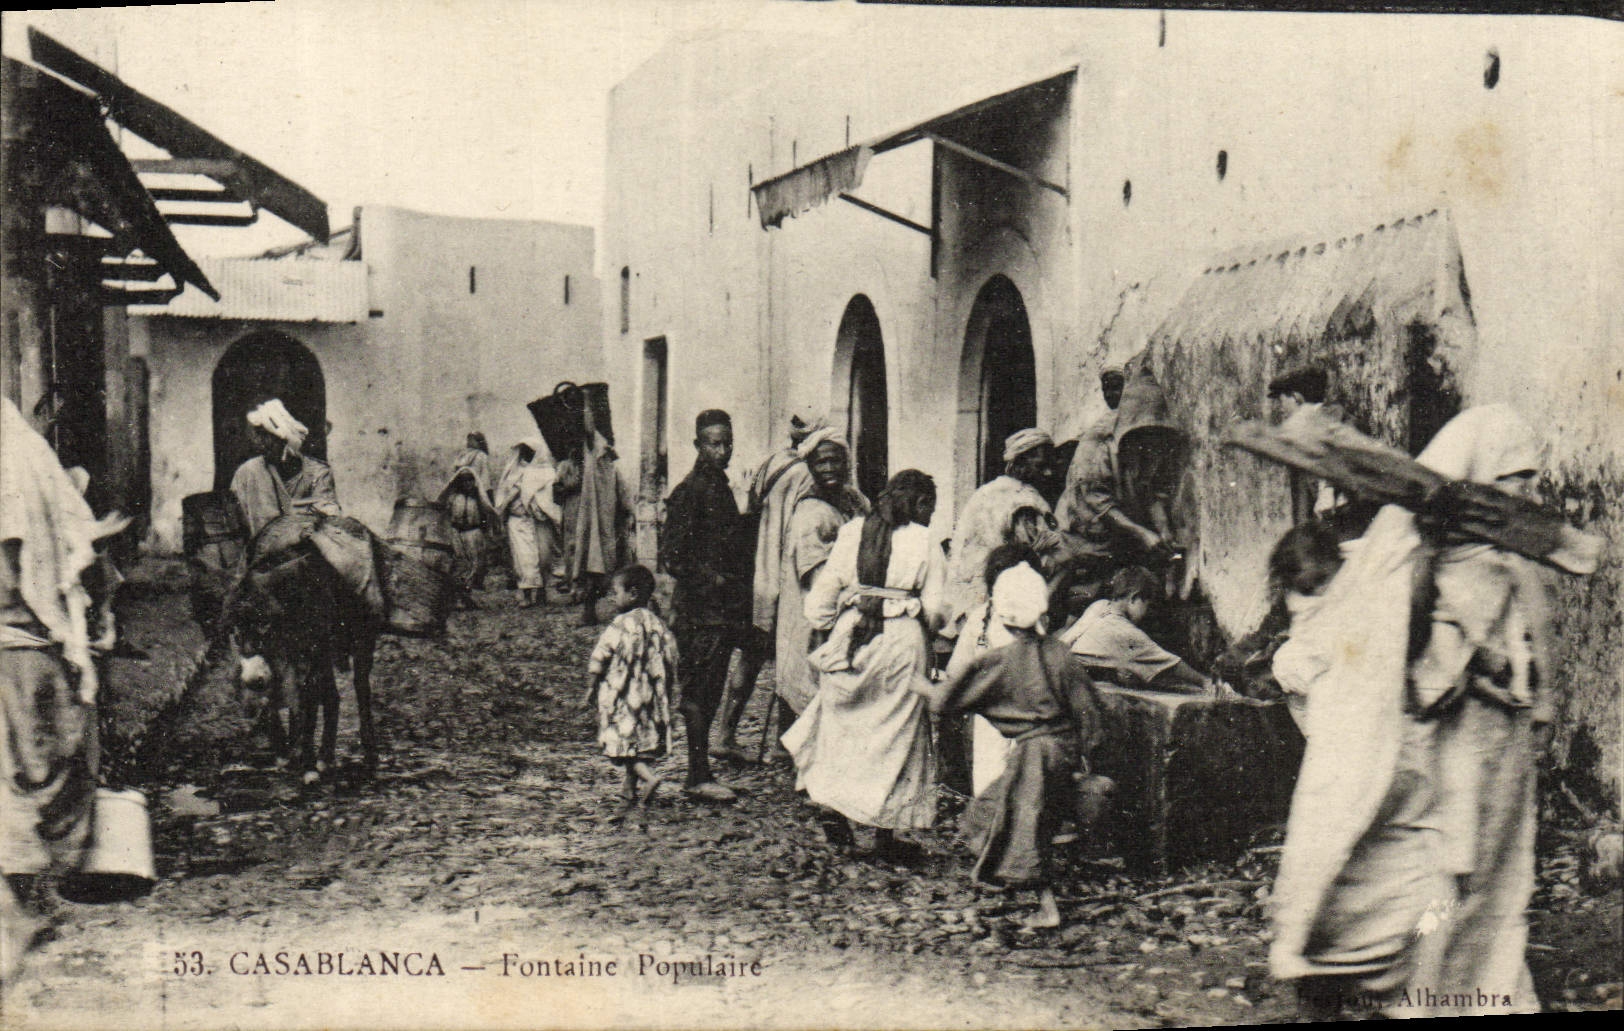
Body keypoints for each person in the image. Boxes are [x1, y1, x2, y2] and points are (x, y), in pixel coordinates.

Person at [1271, 405, 1576, 1019]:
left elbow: (1532, 642)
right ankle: (1373, 973)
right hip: (1445, 738)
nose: (1525, 491)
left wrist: (1534, 695)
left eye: (1529, 479)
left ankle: (1469, 983)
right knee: (1432, 865)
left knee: (1487, 870)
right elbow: (1404, 652)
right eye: (1514, 477)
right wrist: (1480, 663)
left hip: (1495, 742)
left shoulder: (1503, 555)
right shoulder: (1412, 547)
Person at [2, 397, 128, 980]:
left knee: (24, 770)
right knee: (48, 765)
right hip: (33, 646)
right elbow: (75, 556)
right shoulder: (30, 462)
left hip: (23, 646)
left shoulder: (23, 462)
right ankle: (28, 899)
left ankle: (24, 901)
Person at [923, 561, 1104, 928]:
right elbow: (1090, 712)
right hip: (1063, 751)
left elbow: (948, 699)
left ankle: (1047, 908)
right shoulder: (1061, 654)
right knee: (996, 810)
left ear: (1004, 619)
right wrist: (1085, 756)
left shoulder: (1004, 661)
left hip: (1033, 755)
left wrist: (917, 684)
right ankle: (1012, 881)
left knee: (1024, 826)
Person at [784, 470, 945, 862]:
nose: (930, 516)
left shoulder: (852, 531)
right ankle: (884, 832)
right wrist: (925, 619)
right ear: (920, 503)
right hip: (901, 643)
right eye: (930, 508)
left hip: (852, 638)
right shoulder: (925, 540)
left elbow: (820, 603)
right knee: (895, 737)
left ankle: (833, 807)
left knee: (843, 730)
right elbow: (939, 609)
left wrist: (835, 618)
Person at [663, 409, 755, 803]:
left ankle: (701, 772)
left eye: (727, 443)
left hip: (720, 610)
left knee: (711, 689)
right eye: (714, 444)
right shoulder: (691, 490)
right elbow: (672, 556)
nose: (722, 451)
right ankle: (697, 776)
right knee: (699, 693)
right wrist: (714, 580)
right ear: (698, 445)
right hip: (699, 612)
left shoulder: (719, 486)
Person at [770, 428, 869, 716]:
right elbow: (820, 581)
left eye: (834, 461)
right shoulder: (811, 513)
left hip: (846, 610)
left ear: (846, 463)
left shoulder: (854, 500)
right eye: (820, 462)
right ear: (810, 467)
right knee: (809, 692)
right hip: (816, 614)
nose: (828, 468)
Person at [945, 543, 1045, 796]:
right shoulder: (1031, 621)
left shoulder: (980, 618)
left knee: (990, 783)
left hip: (990, 717)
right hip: (1026, 715)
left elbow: (955, 671)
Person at [583, 565, 678, 822]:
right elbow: (671, 656)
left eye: (616, 593)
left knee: (624, 745)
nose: (613, 598)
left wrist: (591, 687)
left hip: (624, 696)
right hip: (649, 697)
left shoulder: (620, 624)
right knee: (639, 742)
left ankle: (649, 778)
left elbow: (601, 656)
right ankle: (628, 794)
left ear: (632, 594)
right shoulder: (657, 623)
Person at [946, 428, 1056, 631]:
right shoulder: (1025, 500)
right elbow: (1036, 559)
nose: (1048, 473)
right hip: (1000, 602)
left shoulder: (984, 492)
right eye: (1041, 466)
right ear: (1020, 462)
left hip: (964, 599)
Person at [1060, 566, 1226, 695]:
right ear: (1134, 598)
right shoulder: (1125, 632)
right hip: (1067, 680)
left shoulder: (1100, 605)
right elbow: (1172, 665)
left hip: (1057, 664)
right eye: (1147, 604)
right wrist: (1205, 682)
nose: (1147, 613)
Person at [229, 398, 340, 537]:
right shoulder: (248, 472)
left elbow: (329, 519)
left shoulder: (318, 473)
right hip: (260, 547)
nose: (260, 443)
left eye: (266, 436)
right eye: (258, 436)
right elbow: (234, 518)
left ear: (284, 440)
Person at [570, 404, 630, 626]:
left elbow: (624, 497)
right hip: (595, 528)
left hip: (611, 528)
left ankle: (629, 610)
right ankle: (589, 612)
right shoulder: (593, 463)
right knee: (592, 568)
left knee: (618, 568)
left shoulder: (612, 468)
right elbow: (589, 433)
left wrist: (628, 516)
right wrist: (586, 405)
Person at [493, 441, 560, 608]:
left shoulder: (546, 472)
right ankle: (527, 594)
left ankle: (542, 592)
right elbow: (505, 497)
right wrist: (501, 512)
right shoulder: (514, 471)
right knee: (523, 559)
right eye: (524, 451)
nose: (526, 455)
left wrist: (543, 508)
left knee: (543, 557)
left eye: (530, 452)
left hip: (540, 521)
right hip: (519, 521)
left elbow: (550, 497)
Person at [437, 434, 499, 604]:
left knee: (475, 563)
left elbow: (486, 511)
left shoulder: (477, 499)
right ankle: (460, 596)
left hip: (473, 532)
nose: (468, 485)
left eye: (470, 481)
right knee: (460, 564)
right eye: (464, 482)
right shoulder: (454, 498)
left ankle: (467, 594)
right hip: (457, 532)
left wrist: (485, 527)